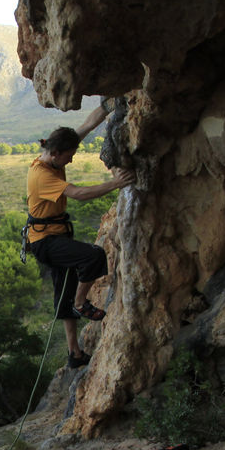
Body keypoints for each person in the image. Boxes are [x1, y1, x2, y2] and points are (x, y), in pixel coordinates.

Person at [25, 107, 135, 368]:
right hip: (45, 242)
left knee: (63, 291)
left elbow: (86, 124)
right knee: (93, 256)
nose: (71, 161)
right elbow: (80, 194)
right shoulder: (42, 175)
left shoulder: (53, 153)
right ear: (55, 154)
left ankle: (74, 354)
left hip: (51, 236)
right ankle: (80, 302)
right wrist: (116, 184)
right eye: (69, 157)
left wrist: (108, 106)